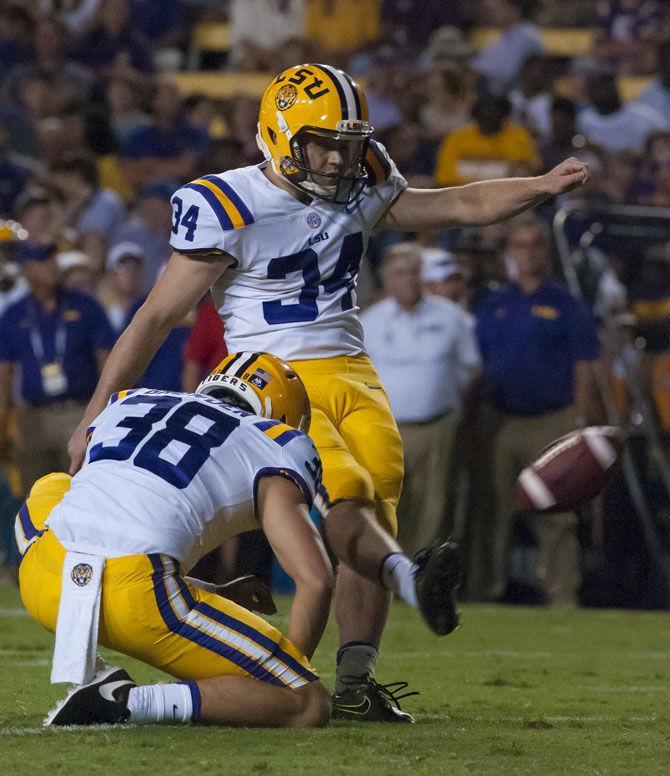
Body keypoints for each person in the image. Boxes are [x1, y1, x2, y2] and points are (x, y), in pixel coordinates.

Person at [67, 63, 590, 722]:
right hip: (273, 380)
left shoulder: (362, 182)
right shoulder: (230, 202)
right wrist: (96, 409)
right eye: (327, 143)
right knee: (345, 500)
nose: (344, 158)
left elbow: (461, 202)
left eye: (351, 142)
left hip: (354, 373)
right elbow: (153, 318)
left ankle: (354, 680)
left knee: (377, 508)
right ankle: (319, 649)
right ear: (283, 134)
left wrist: (542, 185)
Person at [18, 352, 333, 728]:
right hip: (138, 598)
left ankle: (106, 681)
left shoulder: (129, 400)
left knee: (55, 486)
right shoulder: (276, 444)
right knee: (307, 702)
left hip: (44, 580)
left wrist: (211, 591)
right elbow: (315, 579)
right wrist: (284, 675)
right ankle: (125, 703)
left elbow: (111, 519)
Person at [474, 214, 602, 606]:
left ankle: (562, 595)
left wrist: (580, 422)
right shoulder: (492, 304)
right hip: (501, 418)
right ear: (509, 252)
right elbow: (476, 367)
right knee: (492, 511)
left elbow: (585, 368)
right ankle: (486, 592)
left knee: (557, 514)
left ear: (547, 252)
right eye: (520, 245)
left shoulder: (566, 304)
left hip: (552, 420)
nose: (528, 253)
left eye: (536, 245)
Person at [361, 243, 480, 556]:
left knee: (435, 506)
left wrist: (442, 397)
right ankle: (390, 573)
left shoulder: (454, 317)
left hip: (436, 426)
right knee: (388, 505)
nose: (408, 281)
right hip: (385, 429)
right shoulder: (369, 322)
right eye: (400, 274)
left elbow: (470, 368)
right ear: (386, 280)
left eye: (414, 273)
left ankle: (422, 575)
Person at [0, 241, 114, 497]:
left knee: (82, 494)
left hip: (78, 412)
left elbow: (108, 361)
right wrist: (3, 423)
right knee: (35, 499)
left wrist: (103, 412)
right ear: (27, 270)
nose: (52, 266)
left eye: (52, 259)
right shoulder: (14, 314)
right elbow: (4, 377)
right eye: (42, 261)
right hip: (32, 418)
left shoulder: (86, 306)